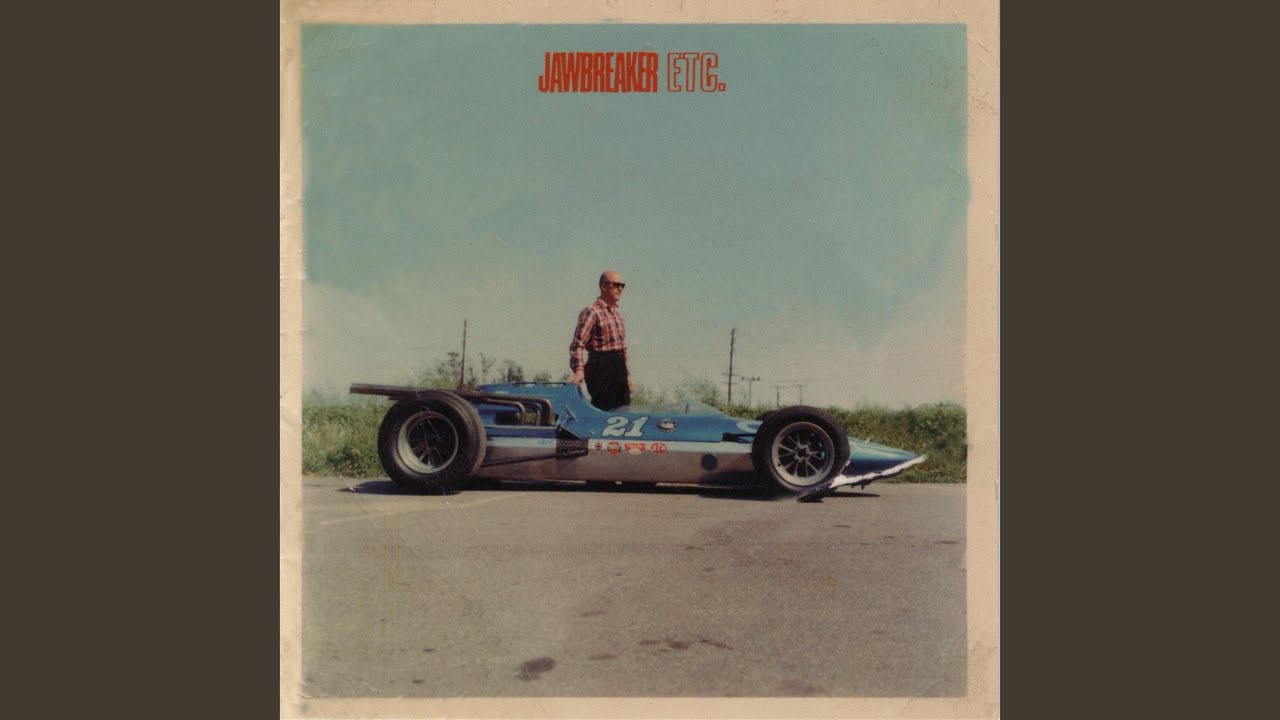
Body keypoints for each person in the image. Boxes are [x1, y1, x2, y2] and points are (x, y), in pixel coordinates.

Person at [568, 270, 632, 410]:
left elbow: (623, 349)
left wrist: (627, 376)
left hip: (619, 369)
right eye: (616, 285)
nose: (620, 289)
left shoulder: (618, 315)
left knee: (624, 411)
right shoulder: (592, 312)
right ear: (603, 286)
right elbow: (577, 344)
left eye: (622, 285)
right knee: (604, 412)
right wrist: (579, 370)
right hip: (601, 369)